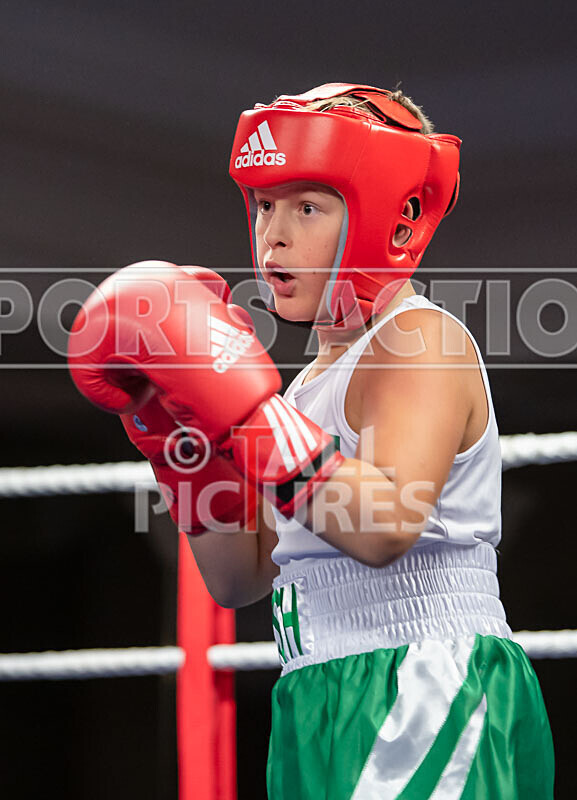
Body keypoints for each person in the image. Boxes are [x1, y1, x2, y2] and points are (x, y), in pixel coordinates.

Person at [68, 83, 554, 798]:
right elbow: (240, 578)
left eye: (307, 207)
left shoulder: (421, 340)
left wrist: (246, 417)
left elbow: (384, 525)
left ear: (392, 217)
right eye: (264, 205)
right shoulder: (301, 391)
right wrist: (179, 442)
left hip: (424, 681)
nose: (273, 234)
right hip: (315, 689)